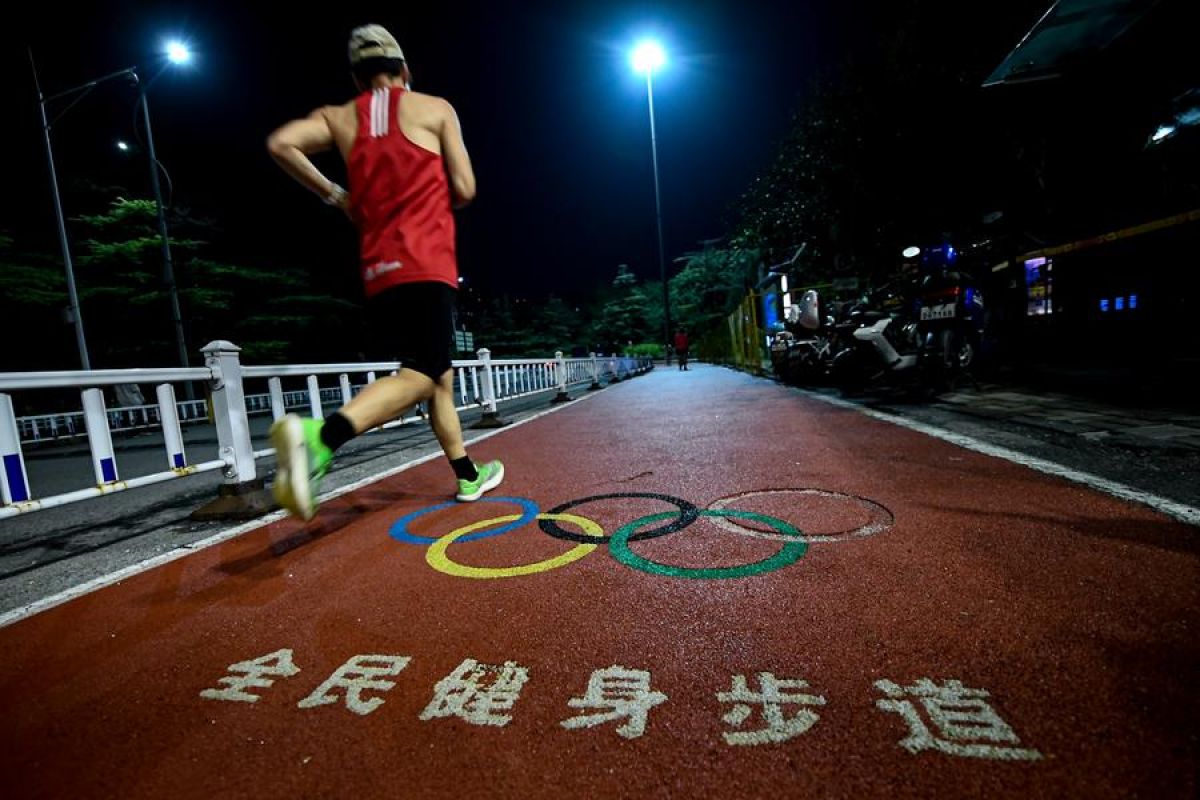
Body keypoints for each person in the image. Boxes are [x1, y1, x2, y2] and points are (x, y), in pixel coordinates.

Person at [264, 23, 503, 520]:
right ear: (405, 72)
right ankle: (321, 437)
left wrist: (337, 195)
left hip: (379, 269)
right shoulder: (435, 109)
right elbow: (466, 187)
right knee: (420, 372)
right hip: (428, 261)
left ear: (357, 80)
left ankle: (466, 475)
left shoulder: (338, 117)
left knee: (436, 374)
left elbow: (282, 143)